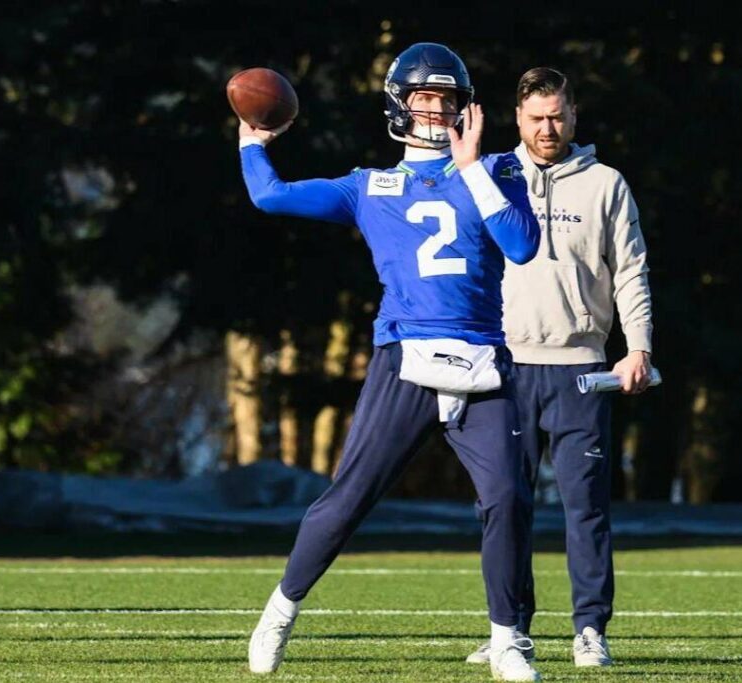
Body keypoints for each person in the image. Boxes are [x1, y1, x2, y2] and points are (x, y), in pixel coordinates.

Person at [237, 43, 542, 682]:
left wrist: (472, 169)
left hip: (483, 355)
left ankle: (508, 639)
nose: (435, 112)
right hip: (404, 353)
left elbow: (521, 246)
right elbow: (270, 198)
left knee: (509, 497)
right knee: (348, 499)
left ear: (466, 109)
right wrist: (253, 141)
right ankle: (279, 613)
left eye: (447, 101)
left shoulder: (501, 171)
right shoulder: (368, 186)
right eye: (424, 99)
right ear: (399, 104)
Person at [465, 67, 654, 669]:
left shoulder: (606, 183)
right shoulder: (490, 175)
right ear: (517, 119)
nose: (548, 128)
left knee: (586, 507)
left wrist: (639, 346)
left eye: (558, 116)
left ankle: (590, 630)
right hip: (505, 368)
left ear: (575, 116)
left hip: (581, 369)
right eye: (536, 118)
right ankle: (508, 631)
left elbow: (630, 270)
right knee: (503, 504)